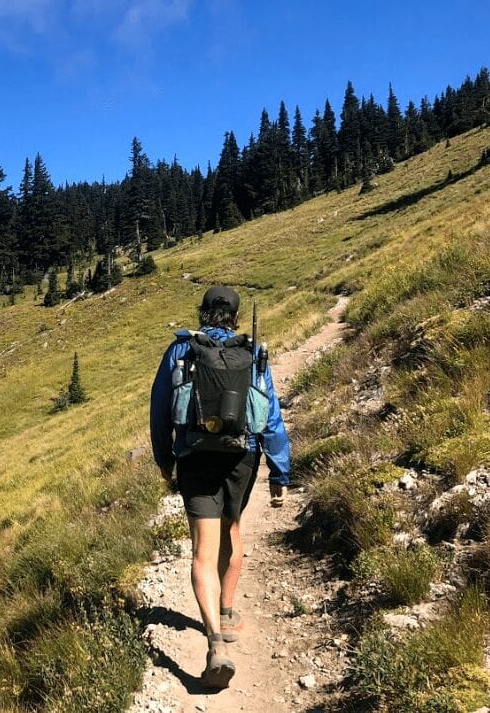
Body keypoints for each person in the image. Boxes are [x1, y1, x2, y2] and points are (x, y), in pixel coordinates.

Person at [149, 285, 291, 690]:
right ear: (234, 315)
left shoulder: (182, 351)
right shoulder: (253, 353)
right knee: (232, 529)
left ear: (204, 312)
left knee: (202, 550)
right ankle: (227, 614)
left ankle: (214, 644)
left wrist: (165, 460)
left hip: (195, 455)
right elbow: (272, 414)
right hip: (241, 458)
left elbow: (160, 408)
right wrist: (280, 473)